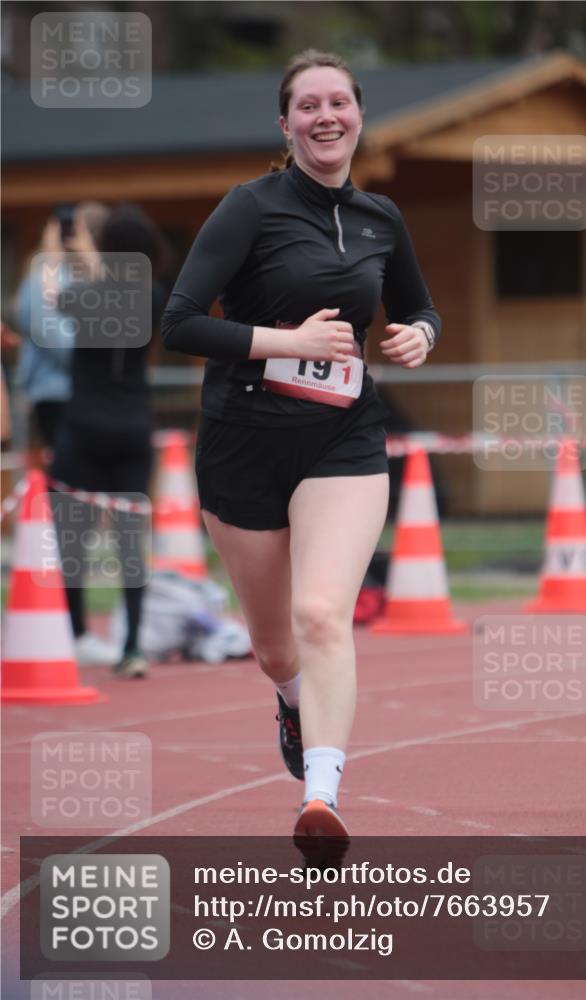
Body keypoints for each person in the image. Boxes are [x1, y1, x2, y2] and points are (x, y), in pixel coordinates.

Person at [160, 49, 440, 850]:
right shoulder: (249, 207)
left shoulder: (383, 217)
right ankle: (289, 699)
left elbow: (420, 308)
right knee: (276, 642)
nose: (326, 116)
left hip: (342, 438)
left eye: (339, 102)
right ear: (285, 125)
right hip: (244, 444)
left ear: (357, 115)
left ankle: (320, 800)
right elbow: (179, 323)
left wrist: (419, 333)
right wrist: (285, 339)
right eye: (307, 105)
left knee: (322, 613)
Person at [51, 204, 168, 677]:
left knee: (71, 538)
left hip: (81, 427)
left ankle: (76, 633)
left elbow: (56, 299)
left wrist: (73, 251)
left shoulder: (84, 293)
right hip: (133, 425)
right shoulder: (158, 296)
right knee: (129, 541)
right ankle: (133, 646)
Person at [13, 204, 110, 449]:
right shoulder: (41, 279)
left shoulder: (88, 278)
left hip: (85, 393)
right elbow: (58, 342)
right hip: (57, 395)